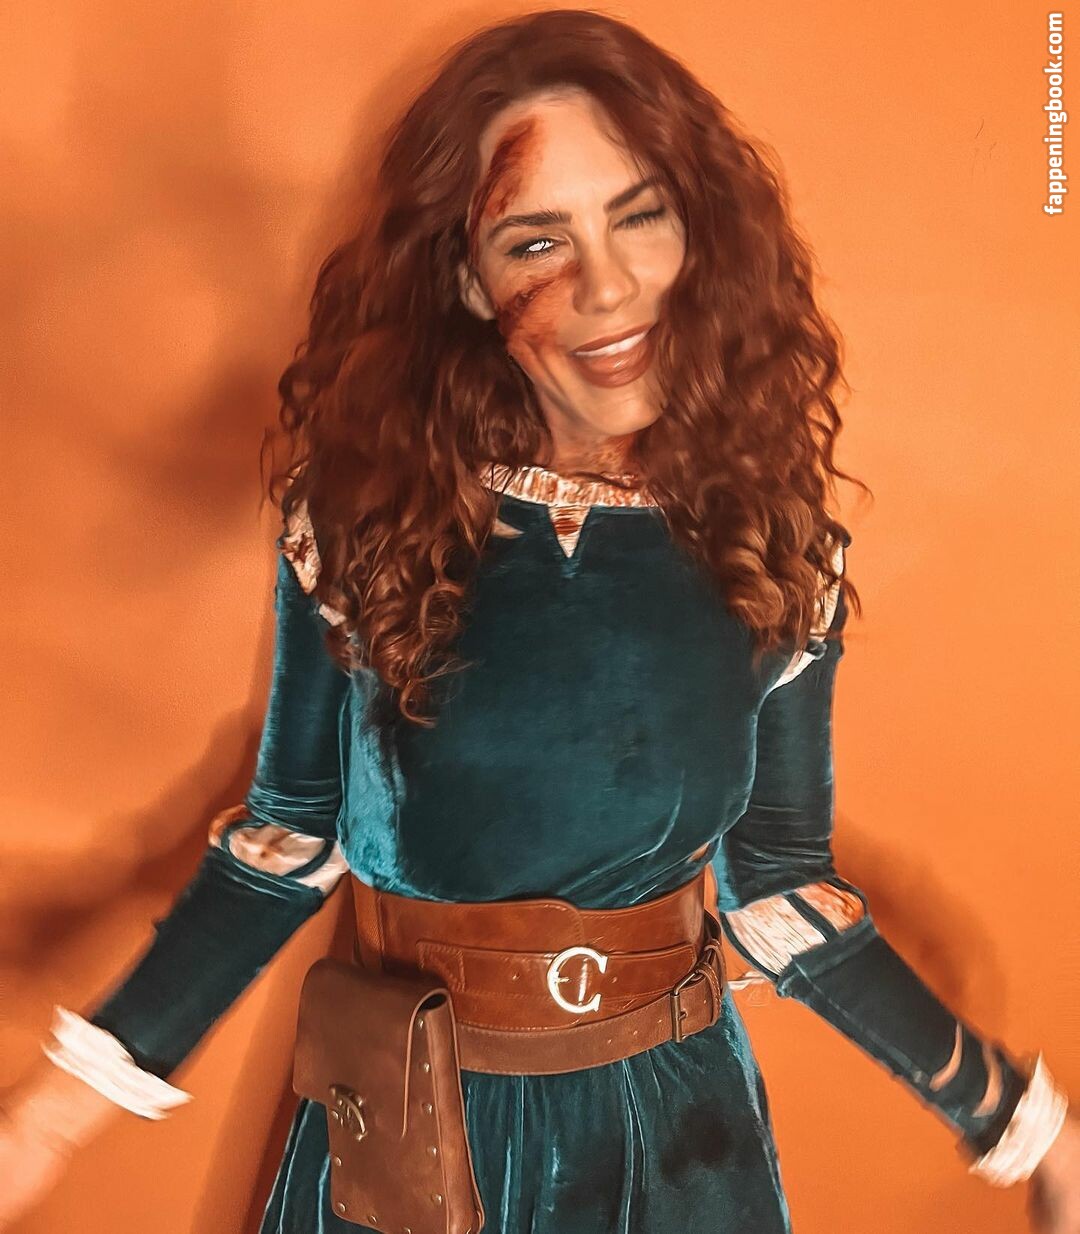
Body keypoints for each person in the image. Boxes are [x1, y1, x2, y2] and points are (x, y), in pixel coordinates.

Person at [1, 9, 1076, 1232]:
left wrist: (1032, 1129)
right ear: (470, 278)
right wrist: (40, 1122)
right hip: (409, 1136)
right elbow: (287, 844)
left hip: (680, 1147)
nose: (606, 287)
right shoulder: (357, 519)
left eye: (640, 215)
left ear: (699, 229)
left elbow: (779, 888)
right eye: (537, 240)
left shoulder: (778, 543)